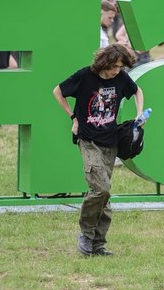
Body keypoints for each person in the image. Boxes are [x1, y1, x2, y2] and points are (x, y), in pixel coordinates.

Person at [53, 44, 145, 257]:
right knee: (100, 189)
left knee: (104, 194)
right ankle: (86, 234)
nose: (117, 71)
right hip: (88, 140)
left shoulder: (121, 79)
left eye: (121, 67)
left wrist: (139, 115)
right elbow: (58, 91)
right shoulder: (85, 76)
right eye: (114, 66)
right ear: (105, 62)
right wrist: (73, 117)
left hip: (110, 142)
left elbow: (137, 91)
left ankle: (98, 244)